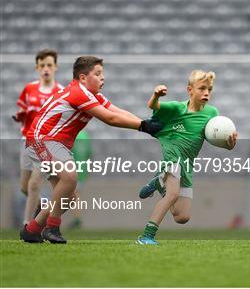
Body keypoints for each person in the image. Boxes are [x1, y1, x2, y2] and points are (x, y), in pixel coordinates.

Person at [19, 56, 163, 244]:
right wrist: (143, 126)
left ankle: (32, 230)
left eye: (102, 73)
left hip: (56, 143)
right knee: (70, 177)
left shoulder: (92, 95)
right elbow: (109, 119)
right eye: (97, 73)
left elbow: (117, 112)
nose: (102, 78)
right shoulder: (78, 92)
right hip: (42, 139)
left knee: (67, 197)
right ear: (83, 77)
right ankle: (52, 228)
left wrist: (146, 124)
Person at [136, 70, 238, 245]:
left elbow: (219, 141)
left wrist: (229, 144)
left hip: (187, 164)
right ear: (190, 90)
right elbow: (153, 106)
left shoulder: (212, 114)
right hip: (172, 158)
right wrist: (156, 95)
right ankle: (147, 236)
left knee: (182, 217)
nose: (206, 92)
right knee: (172, 194)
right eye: (202, 88)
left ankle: (157, 183)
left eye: (210, 89)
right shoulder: (177, 108)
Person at [14, 49, 63, 227]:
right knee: (24, 186)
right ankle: (42, 204)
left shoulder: (60, 92)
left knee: (35, 182)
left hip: (46, 143)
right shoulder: (29, 89)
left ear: (56, 67)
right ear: (37, 67)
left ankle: (29, 225)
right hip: (26, 140)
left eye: (49, 65)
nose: (46, 69)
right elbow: (22, 112)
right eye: (42, 65)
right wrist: (21, 117)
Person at [68, 130, 93, 229]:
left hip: (71, 169)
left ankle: (77, 218)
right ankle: (76, 218)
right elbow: (89, 154)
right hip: (83, 169)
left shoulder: (71, 133)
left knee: (75, 195)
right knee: (76, 194)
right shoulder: (85, 135)